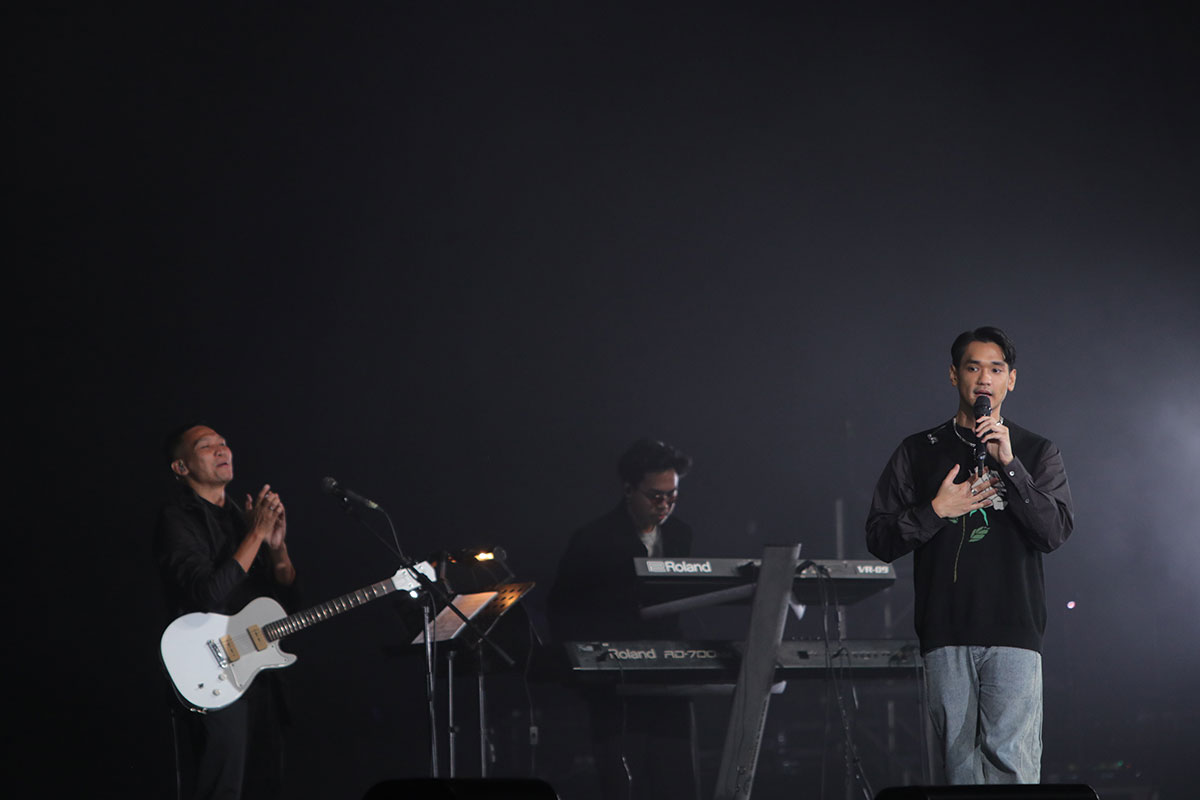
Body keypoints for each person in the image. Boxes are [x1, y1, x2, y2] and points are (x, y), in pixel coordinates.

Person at [865, 326, 1074, 785]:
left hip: (1015, 630)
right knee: (957, 773)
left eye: (995, 369)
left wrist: (1011, 467)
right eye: (973, 367)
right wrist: (936, 510)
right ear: (954, 375)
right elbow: (879, 538)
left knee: (1012, 768)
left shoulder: (1037, 451)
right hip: (946, 631)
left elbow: (1054, 531)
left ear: (1011, 380)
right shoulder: (918, 451)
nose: (984, 379)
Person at [547, 438, 699, 800]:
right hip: (615, 683)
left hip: (669, 678)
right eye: (655, 496)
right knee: (621, 784)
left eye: (672, 495)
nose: (665, 505)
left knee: (677, 779)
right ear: (628, 489)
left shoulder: (680, 534)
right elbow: (562, 610)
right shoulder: (593, 539)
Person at [154, 423, 298, 800]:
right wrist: (255, 536)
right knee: (224, 788)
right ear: (181, 467)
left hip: (259, 666)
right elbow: (206, 594)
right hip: (214, 672)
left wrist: (277, 548)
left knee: (266, 783)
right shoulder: (177, 518)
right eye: (206, 446)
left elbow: (283, 602)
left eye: (224, 443)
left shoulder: (240, 517)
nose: (222, 450)